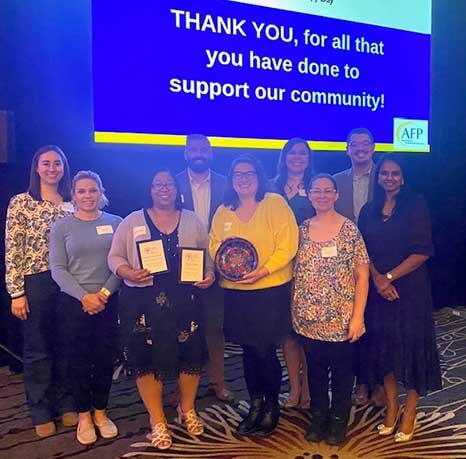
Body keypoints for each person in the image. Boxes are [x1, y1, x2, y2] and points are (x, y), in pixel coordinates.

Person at [108, 167, 215, 450]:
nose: (163, 188)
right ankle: (158, 421)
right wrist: (128, 273)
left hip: (185, 302)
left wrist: (209, 276)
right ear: (150, 190)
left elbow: (208, 258)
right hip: (143, 301)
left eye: (168, 184)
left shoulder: (193, 221)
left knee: (190, 356)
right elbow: (114, 256)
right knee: (146, 360)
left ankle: (186, 409)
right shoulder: (131, 221)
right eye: (158, 184)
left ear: (177, 189)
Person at [209, 155, 298, 437]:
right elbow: (214, 244)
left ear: (259, 176)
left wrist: (264, 271)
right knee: (247, 351)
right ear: (231, 178)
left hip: (269, 290)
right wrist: (227, 266)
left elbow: (288, 244)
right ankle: (255, 404)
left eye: (249, 173)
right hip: (236, 293)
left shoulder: (274, 203)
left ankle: (272, 405)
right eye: (237, 174)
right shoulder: (224, 210)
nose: (243, 179)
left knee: (264, 350)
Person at [358, 156, 442, 442]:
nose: (389, 177)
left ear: (403, 178)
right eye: (385, 173)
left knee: (412, 349)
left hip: (410, 291)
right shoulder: (368, 210)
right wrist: (378, 279)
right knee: (385, 350)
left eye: (395, 173)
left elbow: (422, 251)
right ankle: (392, 406)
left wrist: (388, 278)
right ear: (377, 176)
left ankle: (410, 411)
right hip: (378, 292)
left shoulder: (416, 204)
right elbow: (362, 251)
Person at [4, 145, 76, 437]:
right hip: (36, 281)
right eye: (45, 163)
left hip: (69, 282)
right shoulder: (21, 202)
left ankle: (67, 402)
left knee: (66, 345)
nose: (51, 168)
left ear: (64, 168)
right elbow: (13, 249)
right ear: (36, 168)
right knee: (37, 350)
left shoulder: (73, 202)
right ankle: (41, 409)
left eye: (57, 163)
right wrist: (16, 292)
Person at [292, 173, 369, 445]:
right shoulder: (301, 230)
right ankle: (318, 418)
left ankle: (338, 421)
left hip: (341, 319)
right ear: (309, 194)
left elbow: (362, 275)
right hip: (308, 320)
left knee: (342, 375)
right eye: (317, 191)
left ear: (336, 195)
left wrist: (358, 317)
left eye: (328, 191)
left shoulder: (349, 230)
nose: (322, 195)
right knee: (314, 372)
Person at [49, 171, 122, 445]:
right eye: (81, 191)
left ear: (101, 192)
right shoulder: (61, 227)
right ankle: (83, 415)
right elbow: (58, 269)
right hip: (73, 302)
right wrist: (84, 297)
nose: (87, 196)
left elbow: (121, 262)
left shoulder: (117, 223)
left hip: (107, 300)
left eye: (92, 190)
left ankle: (101, 413)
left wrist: (102, 294)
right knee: (77, 360)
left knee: (104, 358)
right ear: (73, 195)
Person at [176, 134, 233, 402]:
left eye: (203, 149)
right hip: (178, 269)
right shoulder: (172, 183)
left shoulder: (225, 184)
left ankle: (217, 381)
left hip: (217, 267)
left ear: (210, 153)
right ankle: (182, 386)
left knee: (214, 327)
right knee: (180, 327)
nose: (198, 153)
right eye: (193, 149)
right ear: (186, 153)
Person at [333, 127, 382, 407]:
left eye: (366, 144)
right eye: (355, 144)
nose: (360, 148)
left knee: (378, 327)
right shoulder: (337, 181)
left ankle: (378, 383)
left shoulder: (386, 176)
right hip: (346, 266)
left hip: (382, 261)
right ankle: (361, 384)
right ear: (347, 148)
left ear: (373, 148)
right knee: (354, 327)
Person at [270, 137, 315, 409]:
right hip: (279, 270)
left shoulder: (316, 187)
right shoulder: (270, 187)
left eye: (303, 153)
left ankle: (310, 390)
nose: (297, 157)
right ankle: (294, 390)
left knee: (308, 333)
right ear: (284, 157)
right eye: (292, 153)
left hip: (311, 270)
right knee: (288, 333)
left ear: (309, 158)